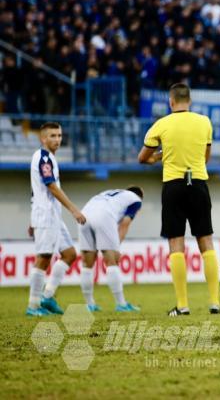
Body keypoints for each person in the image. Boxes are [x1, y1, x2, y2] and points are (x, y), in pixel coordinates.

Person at [138, 83, 220, 316]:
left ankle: (182, 305)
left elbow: (142, 158)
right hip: (198, 183)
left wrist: (159, 157)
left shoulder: (161, 124)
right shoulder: (204, 122)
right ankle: (215, 302)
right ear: (190, 101)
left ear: (171, 102)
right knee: (206, 241)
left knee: (176, 243)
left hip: (173, 185)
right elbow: (206, 157)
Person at [26, 122, 86, 316]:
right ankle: (33, 306)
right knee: (43, 257)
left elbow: (36, 191)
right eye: (52, 136)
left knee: (69, 254)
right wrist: (74, 210)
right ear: (43, 138)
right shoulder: (43, 158)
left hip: (52, 215)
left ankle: (48, 297)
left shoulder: (49, 158)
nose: (57, 139)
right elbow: (50, 186)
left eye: (59, 135)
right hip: (46, 215)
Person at [78, 187, 144, 312]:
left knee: (87, 265)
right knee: (111, 262)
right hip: (104, 216)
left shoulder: (114, 194)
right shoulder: (136, 200)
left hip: (84, 214)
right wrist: (116, 248)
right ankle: (121, 304)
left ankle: (90, 304)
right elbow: (125, 224)